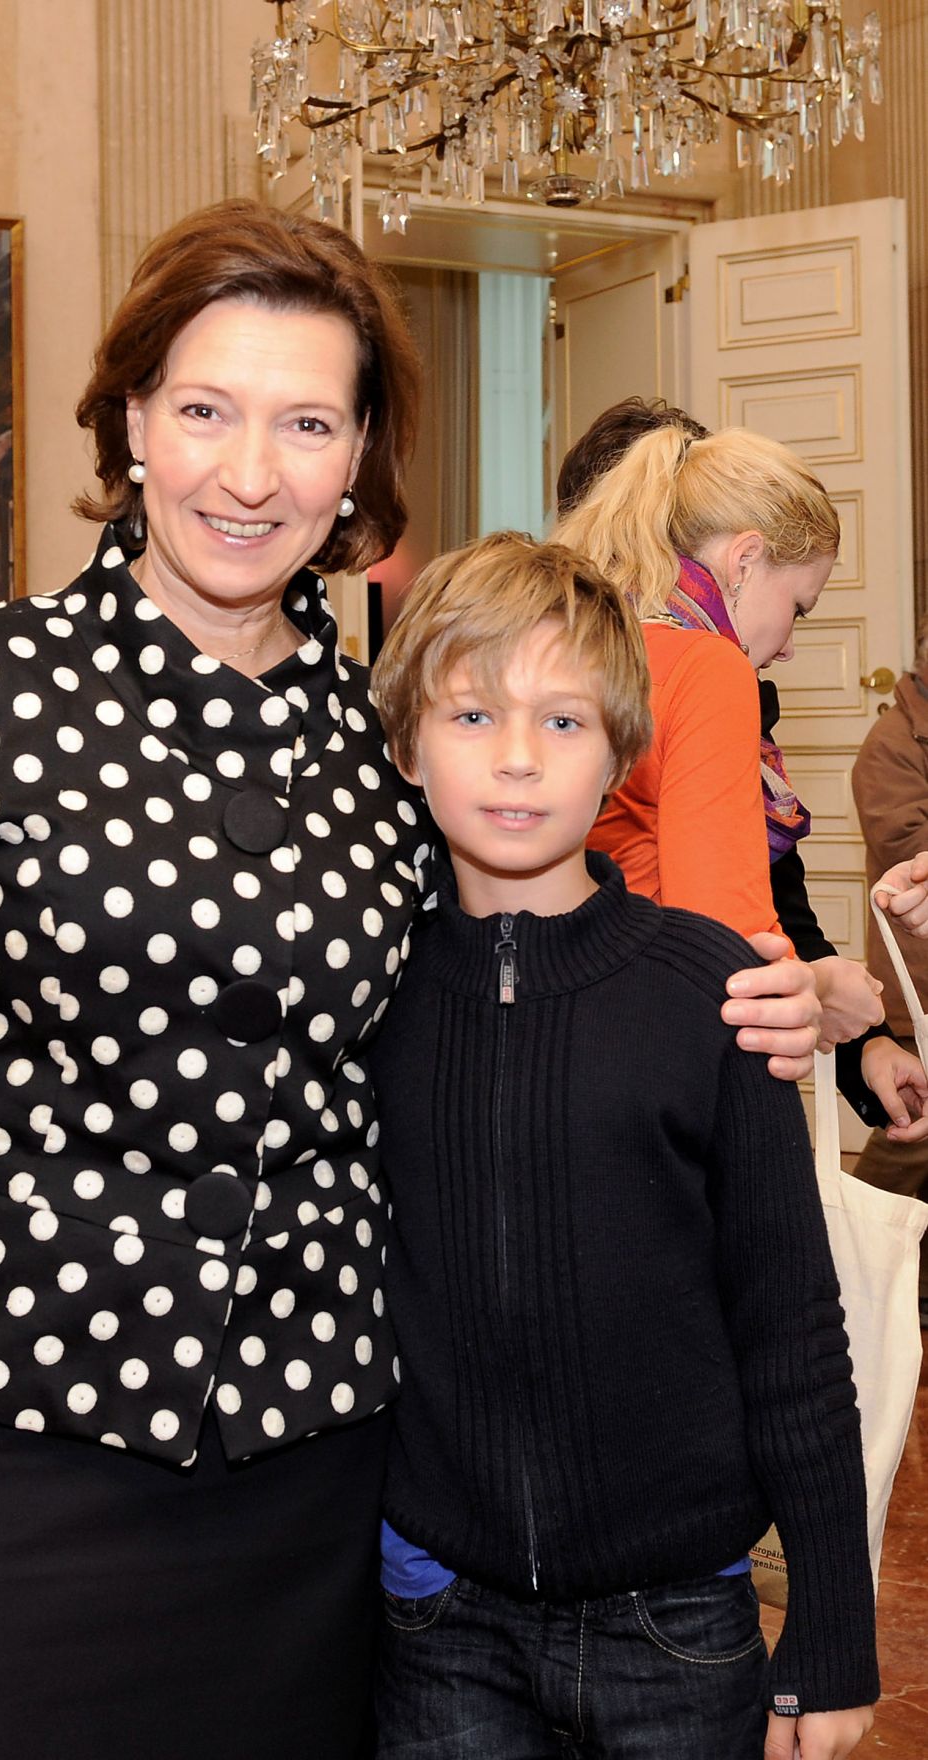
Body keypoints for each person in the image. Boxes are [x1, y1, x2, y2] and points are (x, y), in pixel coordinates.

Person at [0, 202, 819, 1760]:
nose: (250, 470)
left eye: (305, 423)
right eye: (207, 409)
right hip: (2, 1449)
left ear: (357, 463)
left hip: (314, 1467)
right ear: (134, 417)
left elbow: (534, 961)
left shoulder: (380, 742)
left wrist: (800, 996)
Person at [368, 531, 878, 1760]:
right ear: (405, 740)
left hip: (680, 1615)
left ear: (622, 752)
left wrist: (834, 1622)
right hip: (437, 1614)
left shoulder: (709, 993)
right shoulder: (362, 998)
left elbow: (792, 1324)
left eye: (562, 722)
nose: (514, 758)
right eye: (473, 711)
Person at [555, 418, 928, 1140]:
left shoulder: (595, 639)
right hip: (675, 1057)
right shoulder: (706, 667)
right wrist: (823, 991)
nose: (787, 646)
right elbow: (723, 943)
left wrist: (859, 1039)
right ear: (745, 559)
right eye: (797, 609)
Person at [851, 614, 928, 1322]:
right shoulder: (890, 745)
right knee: (911, 1133)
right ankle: (859, 1267)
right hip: (918, 982)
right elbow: (907, 844)